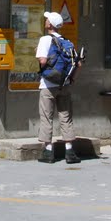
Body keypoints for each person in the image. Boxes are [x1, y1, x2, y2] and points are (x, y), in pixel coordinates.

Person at [35, 11, 79, 164]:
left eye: (47, 19)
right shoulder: (67, 41)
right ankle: (69, 151)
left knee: (47, 117)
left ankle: (48, 152)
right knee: (65, 116)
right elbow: (77, 63)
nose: (45, 20)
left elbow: (42, 60)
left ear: (50, 24)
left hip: (48, 85)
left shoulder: (45, 40)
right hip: (64, 85)